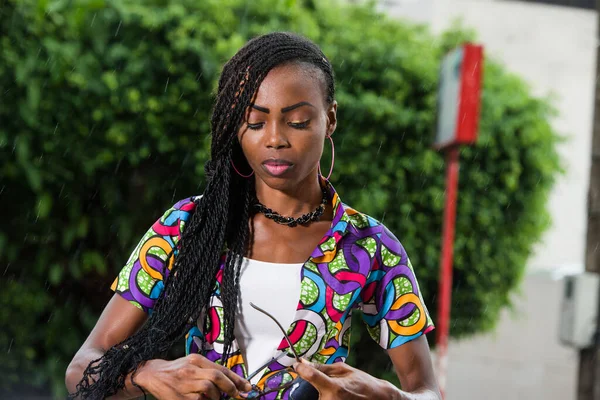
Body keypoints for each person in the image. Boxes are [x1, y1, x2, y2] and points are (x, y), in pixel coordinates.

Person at [65, 31, 441, 400]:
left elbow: (427, 391)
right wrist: (146, 373)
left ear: (330, 119)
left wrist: (388, 397)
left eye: (297, 122)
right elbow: (82, 367)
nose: (274, 139)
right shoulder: (188, 226)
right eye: (255, 122)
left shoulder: (368, 245)